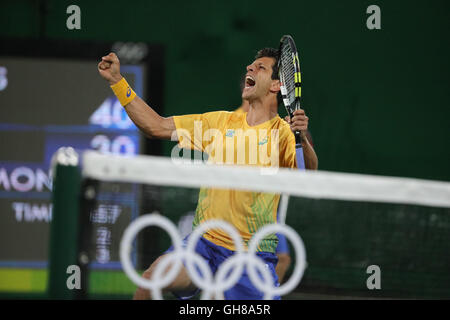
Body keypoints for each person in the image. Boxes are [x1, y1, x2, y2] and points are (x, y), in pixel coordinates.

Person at [98, 48, 317, 299]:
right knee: (151, 280)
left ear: (277, 85)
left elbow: (307, 175)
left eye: (260, 67)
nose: (249, 68)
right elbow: (156, 126)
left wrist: (303, 141)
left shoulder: (284, 134)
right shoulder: (220, 123)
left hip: (249, 255)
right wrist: (117, 81)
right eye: (250, 65)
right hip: (203, 244)